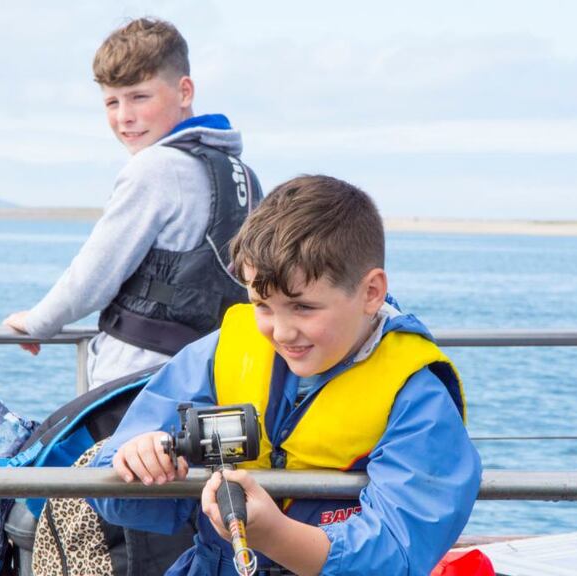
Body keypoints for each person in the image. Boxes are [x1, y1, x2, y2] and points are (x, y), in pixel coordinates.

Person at [89, 175, 482, 575]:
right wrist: (137, 457)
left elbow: (399, 552)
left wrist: (275, 536)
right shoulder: (222, 353)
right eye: (262, 305)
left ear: (371, 292)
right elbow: (111, 490)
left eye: (303, 308)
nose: (281, 331)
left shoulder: (417, 399)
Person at [4, 18, 261, 389]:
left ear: (184, 91)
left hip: (136, 380)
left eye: (140, 97)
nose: (125, 116)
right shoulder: (241, 175)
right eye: (112, 101)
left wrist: (38, 322)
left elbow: (95, 273)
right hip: (214, 375)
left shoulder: (154, 168)